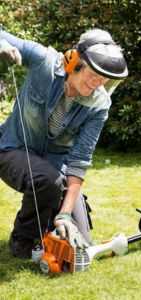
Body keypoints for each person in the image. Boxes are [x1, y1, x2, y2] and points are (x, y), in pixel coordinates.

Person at [0, 25, 128, 258]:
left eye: (105, 79)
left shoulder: (99, 105)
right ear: (74, 63)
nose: (98, 84)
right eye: (94, 75)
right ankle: (23, 238)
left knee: (80, 243)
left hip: (55, 169)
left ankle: (50, 220)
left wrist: (65, 214)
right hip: (11, 150)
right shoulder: (44, 61)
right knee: (50, 180)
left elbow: (79, 160)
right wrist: (3, 46)